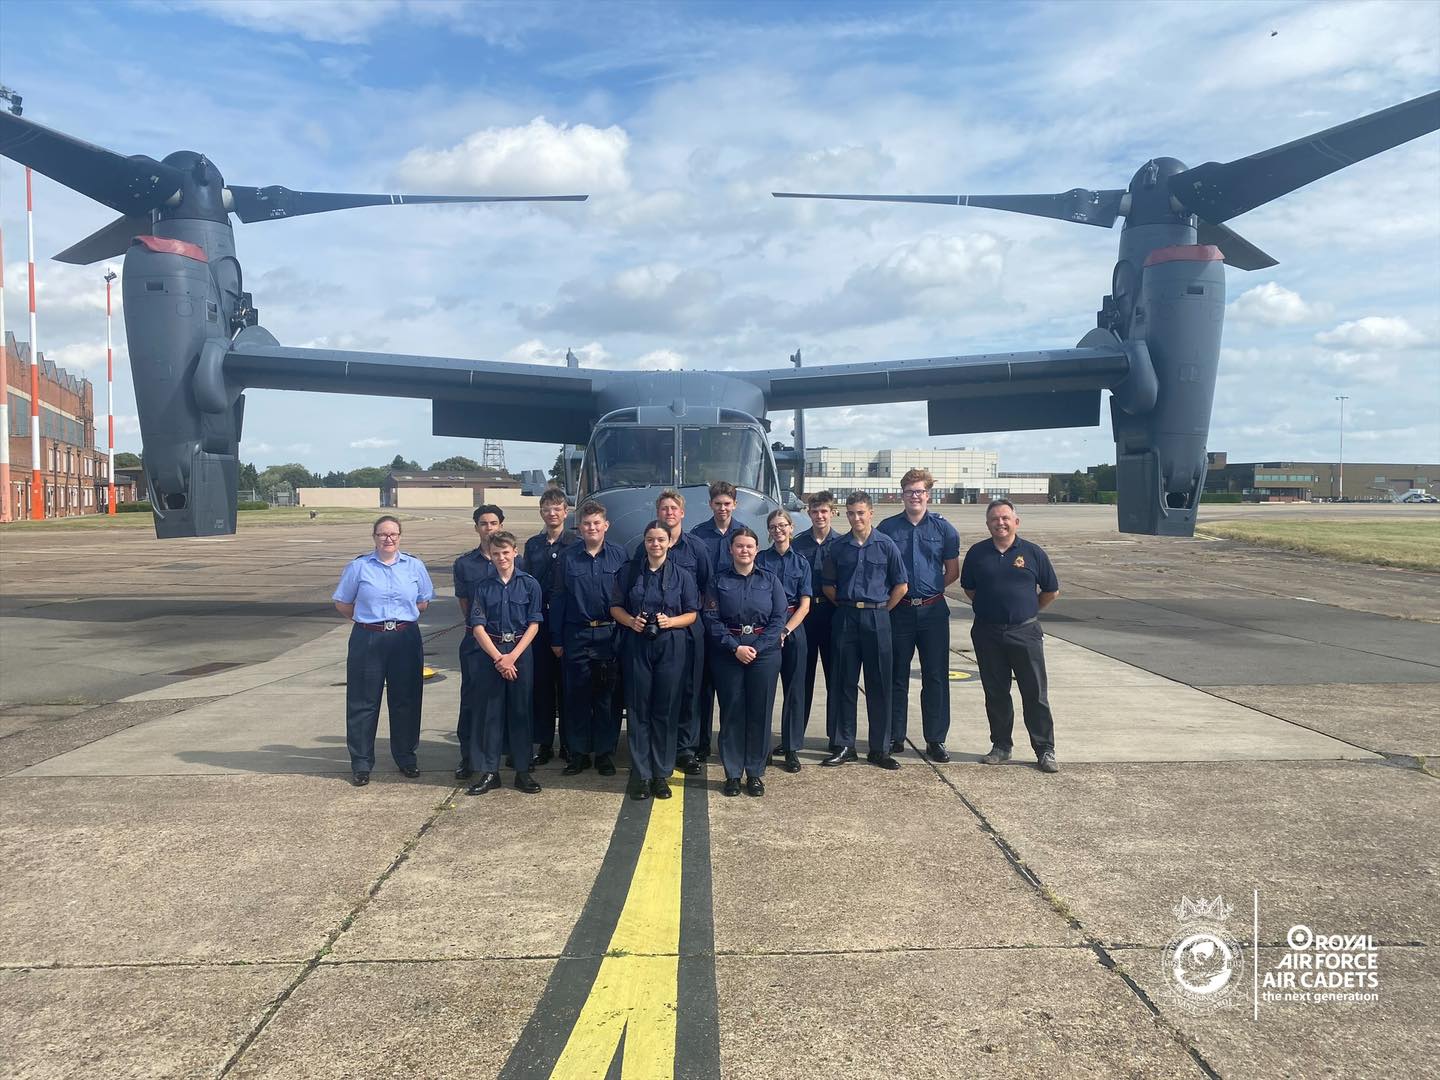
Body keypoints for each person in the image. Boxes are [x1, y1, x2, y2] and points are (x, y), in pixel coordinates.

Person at [960, 498, 1061, 773]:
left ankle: (1045, 749)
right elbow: (969, 589)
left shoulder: (1033, 552)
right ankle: (1001, 745)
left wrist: (1026, 612)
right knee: (996, 692)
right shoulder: (977, 553)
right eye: (994, 519)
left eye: (1005, 518)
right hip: (987, 633)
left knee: (1035, 693)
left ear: (1016, 522)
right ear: (987, 524)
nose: (1000, 523)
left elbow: (1051, 591)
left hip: (1025, 633)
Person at [333, 515, 434, 787]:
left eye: (393, 534)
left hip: (404, 638)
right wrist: (369, 620)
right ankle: (362, 763)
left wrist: (396, 622)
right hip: (369, 638)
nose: (388, 539)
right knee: (363, 702)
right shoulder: (359, 567)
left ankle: (406, 757)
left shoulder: (414, 566)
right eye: (382, 534)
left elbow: (422, 602)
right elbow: (343, 603)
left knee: (406, 700)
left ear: (400, 536)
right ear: (374, 537)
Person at [610, 520, 699, 801]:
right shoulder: (629, 572)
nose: (656, 544)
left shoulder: (683, 576)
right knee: (639, 710)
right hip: (637, 643)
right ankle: (642, 775)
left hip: (670, 644)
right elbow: (615, 606)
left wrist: (671, 621)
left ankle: (661, 774)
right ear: (644, 542)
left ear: (670, 542)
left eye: (661, 539)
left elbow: (692, 613)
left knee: (665, 710)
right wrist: (630, 621)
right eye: (650, 539)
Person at [877, 468, 961, 762]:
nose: (915, 496)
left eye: (920, 491)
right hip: (899, 612)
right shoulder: (887, 529)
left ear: (929, 494)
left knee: (935, 677)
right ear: (902, 494)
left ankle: (936, 739)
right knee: (895, 675)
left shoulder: (943, 529)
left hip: (933, 612)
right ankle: (894, 735)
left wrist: (930, 590)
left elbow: (952, 571)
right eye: (910, 491)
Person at [821, 491, 908, 769]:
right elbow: (828, 586)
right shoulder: (838, 547)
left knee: (879, 683)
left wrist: (881, 611)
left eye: (860, 512)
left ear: (871, 513)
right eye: (850, 513)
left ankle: (880, 748)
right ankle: (844, 743)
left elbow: (901, 586)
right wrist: (849, 606)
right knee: (844, 682)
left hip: (877, 617)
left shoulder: (886, 545)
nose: (855, 518)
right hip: (846, 616)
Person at [703, 526, 787, 796]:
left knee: (760, 713)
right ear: (731, 550)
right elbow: (711, 619)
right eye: (739, 546)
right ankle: (732, 773)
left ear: (757, 550)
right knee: (732, 713)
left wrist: (758, 648)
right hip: (728, 653)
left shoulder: (770, 580)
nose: (744, 550)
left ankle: (754, 773)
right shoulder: (717, 581)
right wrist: (734, 647)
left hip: (764, 654)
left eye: (749, 546)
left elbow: (778, 618)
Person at [638, 489, 712, 777]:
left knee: (690, 691)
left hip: (689, 629)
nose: (669, 513)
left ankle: (686, 748)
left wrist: (687, 619)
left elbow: (706, 587)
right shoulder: (646, 545)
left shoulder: (697, 547)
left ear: (682, 513)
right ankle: (658, 747)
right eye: (664, 508)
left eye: (674, 508)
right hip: (654, 635)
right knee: (663, 693)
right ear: (658, 513)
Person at [550, 500, 627, 777]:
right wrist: (556, 638)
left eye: (597, 523)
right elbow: (558, 598)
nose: (591, 528)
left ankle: (605, 753)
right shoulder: (568, 558)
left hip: (609, 635)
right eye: (586, 523)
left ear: (606, 526)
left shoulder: (619, 556)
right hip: (577, 635)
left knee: (608, 698)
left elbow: (627, 598)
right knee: (576, 696)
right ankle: (579, 753)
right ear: (579, 527)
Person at [465, 531, 544, 795]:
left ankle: (522, 771)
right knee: (492, 714)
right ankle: (490, 771)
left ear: (515, 552)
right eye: (496, 554)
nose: (502, 558)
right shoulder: (483, 586)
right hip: (492, 653)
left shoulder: (530, 584)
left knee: (521, 712)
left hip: (520, 652)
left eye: (506, 552)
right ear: (491, 555)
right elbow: (477, 626)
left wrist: (513, 656)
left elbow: (534, 624)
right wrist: (499, 658)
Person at [452, 504, 507, 779]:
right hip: (476, 642)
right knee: (472, 700)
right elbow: (464, 602)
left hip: (508, 643)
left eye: (493, 523)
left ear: (501, 526)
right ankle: (469, 757)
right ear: (476, 528)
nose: (489, 528)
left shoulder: (512, 560)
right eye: (483, 523)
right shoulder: (464, 563)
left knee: (505, 701)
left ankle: (504, 754)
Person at [524, 487, 577, 766]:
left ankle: (569, 742)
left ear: (566, 512)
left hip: (567, 622)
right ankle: (544, 742)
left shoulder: (576, 542)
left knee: (567, 685)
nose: (552, 513)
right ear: (541, 512)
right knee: (542, 685)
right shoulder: (533, 545)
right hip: (540, 622)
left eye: (557, 508)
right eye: (547, 509)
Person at [756, 508, 812, 772]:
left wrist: (786, 631)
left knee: (794, 691)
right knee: (763, 691)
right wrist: (771, 632)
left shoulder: (801, 563)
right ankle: (762, 748)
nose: (778, 530)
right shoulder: (760, 560)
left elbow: (804, 605)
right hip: (766, 629)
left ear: (791, 528)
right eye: (773, 527)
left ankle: (790, 748)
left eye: (782, 526)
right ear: (769, 531)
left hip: (792, 628)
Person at [690, 480, 739, 761]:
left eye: (727, 504)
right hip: (707, 618)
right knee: (704, 686)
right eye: (718, 503)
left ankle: (731, 743)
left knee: (732, 688)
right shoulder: (698, 536)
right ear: (710, 505)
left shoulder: (742, 533)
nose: (722, 508)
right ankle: (701, 743)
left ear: (735, 504)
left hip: (734, 619)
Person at [792, 490, 841, 747]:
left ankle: (836, 737)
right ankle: (794, 737)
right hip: (805, 616)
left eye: (824, 511)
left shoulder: (843, 544)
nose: (820, 516)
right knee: (802, 678)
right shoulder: (798, 544)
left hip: (833, 615)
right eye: (815, 511)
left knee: (836, 676)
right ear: (808, 513)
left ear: (832, 512)